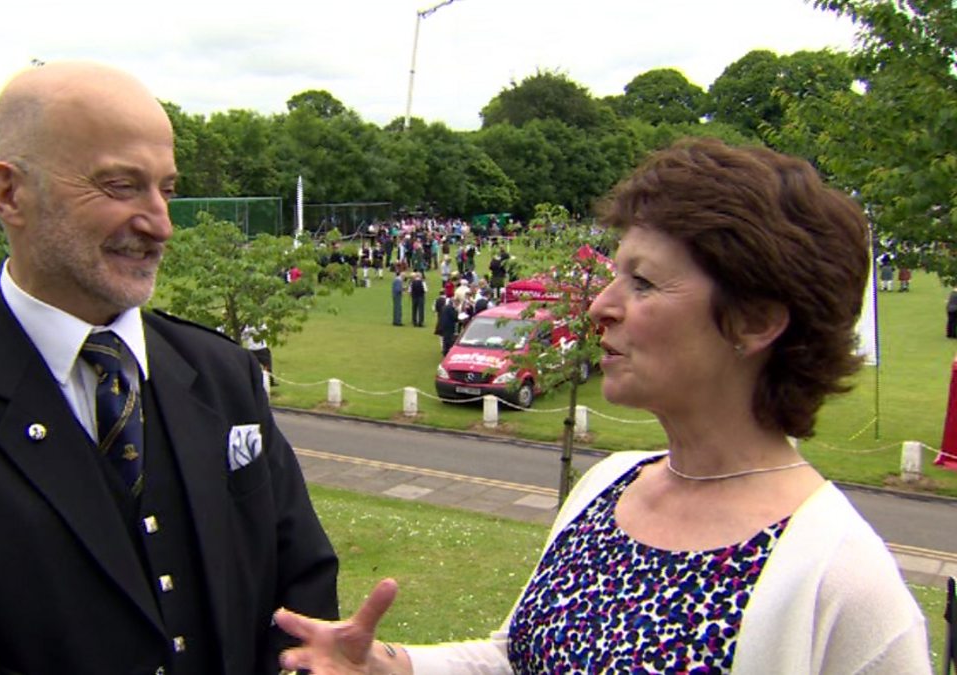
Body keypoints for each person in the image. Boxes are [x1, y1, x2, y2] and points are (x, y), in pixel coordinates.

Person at [274, 138, 929, 674]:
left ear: (755, 321)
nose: (598, 306)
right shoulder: (605, 485)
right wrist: (396, 665)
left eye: (642, 281)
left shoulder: (845, 584)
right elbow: (519, 658)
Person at [0, 62, 338, 675]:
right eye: (120, 186)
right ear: (9, 193)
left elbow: (301, 583)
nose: (160, 224)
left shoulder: (222, 372)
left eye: (165, 189)